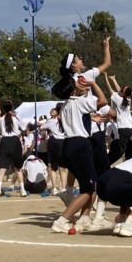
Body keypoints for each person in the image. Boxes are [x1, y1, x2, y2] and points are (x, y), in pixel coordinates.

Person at [50, 73, 108, 233]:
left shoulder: (67, 105)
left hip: (69, 144)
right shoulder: (79, 102)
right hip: (80, 145)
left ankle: (84, 219)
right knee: (88, 189)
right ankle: (61, 220)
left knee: (91, 184)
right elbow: (103, 101)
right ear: (74, 89)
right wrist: (93, 85)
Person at [0, 99, 27, 198]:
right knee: (17, 167)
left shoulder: (1, 119)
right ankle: (23, 190)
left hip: (4, 141)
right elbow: (24, 129)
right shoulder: (17, 118)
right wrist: (18, 135)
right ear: (12, 107)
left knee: (2, 167)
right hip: (15, 141)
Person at [104, 73, 132, 164]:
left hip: (123, 129)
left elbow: (110, 89)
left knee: (119, 152)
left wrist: (106, 77)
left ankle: (106, 164)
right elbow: (120, 90)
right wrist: (114, 79)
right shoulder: (128, 100)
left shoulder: (120, 100)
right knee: (127, 150)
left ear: (122, 93)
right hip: (131, 128)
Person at [39, 106, 67, 194]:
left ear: (57, 113)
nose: (52, 111)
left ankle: (54, 187)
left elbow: (41, 128)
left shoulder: (51, 121)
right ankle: (63, 187)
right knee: (62, 167)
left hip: (55, 142)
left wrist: (47, 130)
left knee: (53, 167)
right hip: (64, 142)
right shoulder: (65, 120)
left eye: (54, 110)